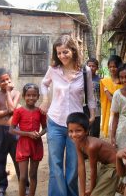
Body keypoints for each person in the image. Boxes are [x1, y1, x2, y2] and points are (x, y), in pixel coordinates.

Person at [39, 35, 96, 196]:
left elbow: (91, 97)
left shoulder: (85, 72)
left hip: (76, 127)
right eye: (59, 53)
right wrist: (45, 99)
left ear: (73, 51)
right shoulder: (53, 70)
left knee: (73, 165)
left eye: (65, 52)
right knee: (55, 164)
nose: (62, 56)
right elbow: (44, 84)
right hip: (55, 122)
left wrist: (92, 116)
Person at [0, 68, 28, 196]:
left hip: (14, 130)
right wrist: (9, 111)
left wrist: (8, 93)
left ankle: (24, 185)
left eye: (7, 79)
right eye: (2, 81)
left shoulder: (16, 93)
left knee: (19, 159)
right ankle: (1, 187)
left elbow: (12, 108)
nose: (6, 82)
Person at [67, 112, 119, 196]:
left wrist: (91, 190)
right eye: (70, 131)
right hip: (104, 165)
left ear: (87, 131)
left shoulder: (92, 146)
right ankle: (119, 185)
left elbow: (93, 170)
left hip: (115, 166)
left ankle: (119, 184)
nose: (74, 135)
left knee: (96, 193)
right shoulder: (77, 143)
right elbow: (81, 166)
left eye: (78, 130)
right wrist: (82, 192)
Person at [9, 83, 47, 196]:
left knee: (33, 175)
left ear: (38, 96)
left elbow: (45, 128)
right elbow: (11, 130)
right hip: (23, 145)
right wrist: (27, 134)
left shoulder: (40, 111)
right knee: (23, 177)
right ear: (24, 96)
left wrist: (40, 134)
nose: (31, 98)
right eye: (28, 95)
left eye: (34, 95)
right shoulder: (19, 111)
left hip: (36, 145)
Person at [100, 55, 122, 137]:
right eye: (110, 67)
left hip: (124, 112)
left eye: (115, 66)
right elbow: (110, 98)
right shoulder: (105, 81)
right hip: (111, 112)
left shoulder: (124, 80)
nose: (112, 69)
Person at [86, 58, 101, 138]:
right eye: (89, 66)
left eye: (93, 66)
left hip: (97, 109)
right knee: (84, 131)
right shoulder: (82, 79)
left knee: (95, 132)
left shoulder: (100, 80)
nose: (91, 68)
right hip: (85, 108)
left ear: (97, 68)